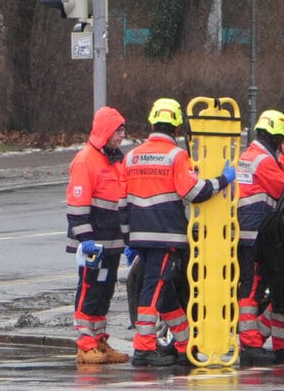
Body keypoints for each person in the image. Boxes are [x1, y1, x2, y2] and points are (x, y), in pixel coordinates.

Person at [124, 98, 236, 367]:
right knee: (154, 290)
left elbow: (121, 199)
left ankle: (186, 345)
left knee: (166, 295)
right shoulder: (176, 156)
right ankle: (144, 349)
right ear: (176, 128)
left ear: (152, 122)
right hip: (166, 236)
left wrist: (128, 236)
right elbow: (193, 192)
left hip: (140, 235)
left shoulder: (132, 156)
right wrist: (222, 180)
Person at [65, 106, 131, 365]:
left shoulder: (115, 159)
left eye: (123, 130)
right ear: (105, 131)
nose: (121, 136)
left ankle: (99, 340)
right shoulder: (86, 160)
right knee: (89, 289)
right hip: (93, 243)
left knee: (105, 291)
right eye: (118, 131)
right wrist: (86, 241)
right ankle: (85, 343)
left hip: (111, 243)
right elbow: (77, 207)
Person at [236, 109, 284, 366]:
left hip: (251, 234)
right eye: (281, 138)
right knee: (251, 290)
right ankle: (250, 345)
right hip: (255, 235)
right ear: (274, 137)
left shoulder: (249, 156)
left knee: (256, 288)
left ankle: (259, 340)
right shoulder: (262, 160)